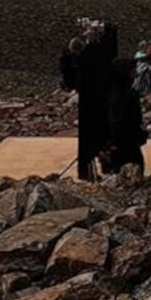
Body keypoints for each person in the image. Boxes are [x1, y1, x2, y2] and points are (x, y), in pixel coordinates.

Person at [59, 20, 118, 181]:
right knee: (102, 134)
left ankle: (90, 169)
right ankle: (105, 164)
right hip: (100, 101)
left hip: (88, 102)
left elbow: (70, 78)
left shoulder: (81, 59)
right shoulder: (100, 56)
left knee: (89, 138)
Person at [103, 57, 146, 174]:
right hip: (123, 147)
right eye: (133, 71)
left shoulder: (111, 92)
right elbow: (118, 123)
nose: (136, 75)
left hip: (123, 145)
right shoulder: (122, 96)